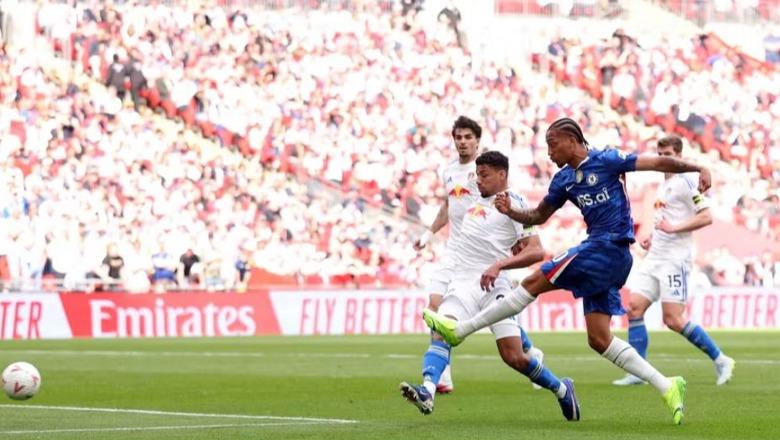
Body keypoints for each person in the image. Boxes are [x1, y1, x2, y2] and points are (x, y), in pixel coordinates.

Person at [423, 118, 713, 425]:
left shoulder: (608, 160)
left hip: (608, 247)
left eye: (552, 144)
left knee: (535, 279)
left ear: (572, 141)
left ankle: (461, 330)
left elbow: (657, 161)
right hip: (604, 257)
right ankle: (667, 385)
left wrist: (698, 167)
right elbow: (538, 215)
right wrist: (511, 212)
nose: (548, 153)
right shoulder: (563, 180)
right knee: (599, 339)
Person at [401, 151, 580, 421]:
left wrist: (500, 265)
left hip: (496, 288)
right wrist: (429, 233)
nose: (479, 180)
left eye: (484, 175)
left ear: (502, 175)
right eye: (477, 174)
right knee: (441, 330)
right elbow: (450, 204)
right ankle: (427, 391)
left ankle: (561, 388)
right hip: (463, 284)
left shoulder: (514, 204)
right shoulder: (474, 196)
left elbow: (535, 252)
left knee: (514, 357)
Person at [413, 116, 543, 394]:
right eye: (458, 137)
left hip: (482, 257)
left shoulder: (485, 171)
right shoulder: (448, 172)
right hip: (455, 252)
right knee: (436, 306)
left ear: (477, 140)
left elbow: (506, 208)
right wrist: (428, 234)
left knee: (495, 317)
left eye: (467, 137)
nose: (462, 142)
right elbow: (448, 206)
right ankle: (441, 375)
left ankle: (530, 351)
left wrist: (514, 244)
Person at [613, 136, 734, 386]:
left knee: (673, 320)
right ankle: (638, 372)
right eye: (660, 153)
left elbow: (706, 217)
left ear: (679, 155)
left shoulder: (688, 180)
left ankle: (721, 359)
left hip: (675, 260)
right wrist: (652, 238)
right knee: (634, 307)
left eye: (668, 153)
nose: (664, 158)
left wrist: (673, 227)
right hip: (655, 256)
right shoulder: (663, 185)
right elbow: (665, 221)